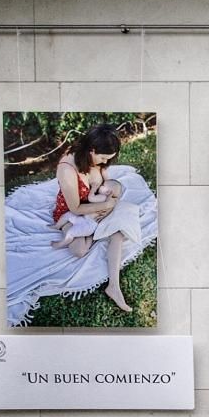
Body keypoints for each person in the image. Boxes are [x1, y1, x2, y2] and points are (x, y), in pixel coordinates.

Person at [53, 124, 131, 312]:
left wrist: (110, 201)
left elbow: (108, 185)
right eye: (103, 158)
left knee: (118, 233)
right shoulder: (67, 169)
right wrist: (105, 206)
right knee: (79, 250)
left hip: (96, 209)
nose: (105, 162)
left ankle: (114, 286)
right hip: (72, 213)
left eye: (109, 159)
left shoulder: (99, 162)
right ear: (92, 150)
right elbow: (76, 207)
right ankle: (90, 233)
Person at [49, 178, 123, 250]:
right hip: (85, 219)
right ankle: (57, 226)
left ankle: (62, 243)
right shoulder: (110, 200)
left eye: (103, 185)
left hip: (89, 224)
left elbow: (90, 198)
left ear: (108, 192)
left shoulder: (103, 197)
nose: (100, 186)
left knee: (71, 232)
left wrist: (93, 188)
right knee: (68, 215)